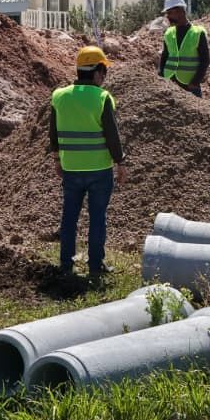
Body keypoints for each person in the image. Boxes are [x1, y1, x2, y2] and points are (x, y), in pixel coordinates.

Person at [49, 46, 127, 280]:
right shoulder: (102, 98)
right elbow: (112, 135)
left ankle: (66, 264)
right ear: (95, 72)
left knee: (69, 218)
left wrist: (56, 159)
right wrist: (120, 162)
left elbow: (53, 133)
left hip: (71, 168)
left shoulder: (59, 96)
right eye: (103, 72)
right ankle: (95, 266)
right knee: (97, 219)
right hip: (99, 170)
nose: (104, 77)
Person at [157, 0, 209, 96]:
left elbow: (205, 60)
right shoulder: (168, 33)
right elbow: (165, 56)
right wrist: (161, 76)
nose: (168, 17)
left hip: (189, 86)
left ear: (181, 11)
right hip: (169, 84)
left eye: (170, 13)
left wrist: (195, 82)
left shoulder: (197, 33)